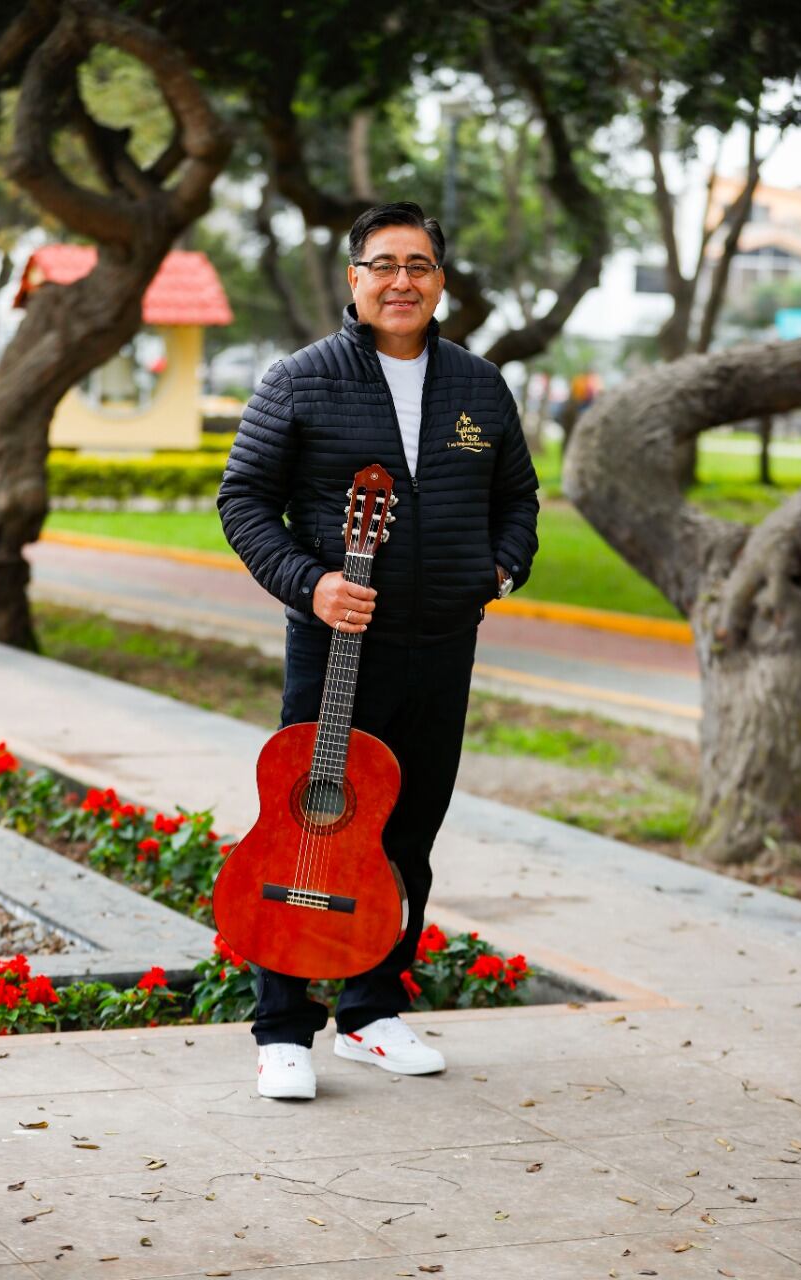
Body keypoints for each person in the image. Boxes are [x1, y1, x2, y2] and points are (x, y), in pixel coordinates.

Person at [218, 201, 539, 1100]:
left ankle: (370, 1014)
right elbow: (243, 500)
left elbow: (518, 498)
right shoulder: (299, 380)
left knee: (406, 836)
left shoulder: (479, 385)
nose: (402, 281)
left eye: (419, 265)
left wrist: (498, 569)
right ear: (354, 278)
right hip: (334, 649)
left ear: (441, 281)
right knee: (305, 825)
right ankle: (282, 1028)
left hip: (442, 646)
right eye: (385, 264)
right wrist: (309, 582)